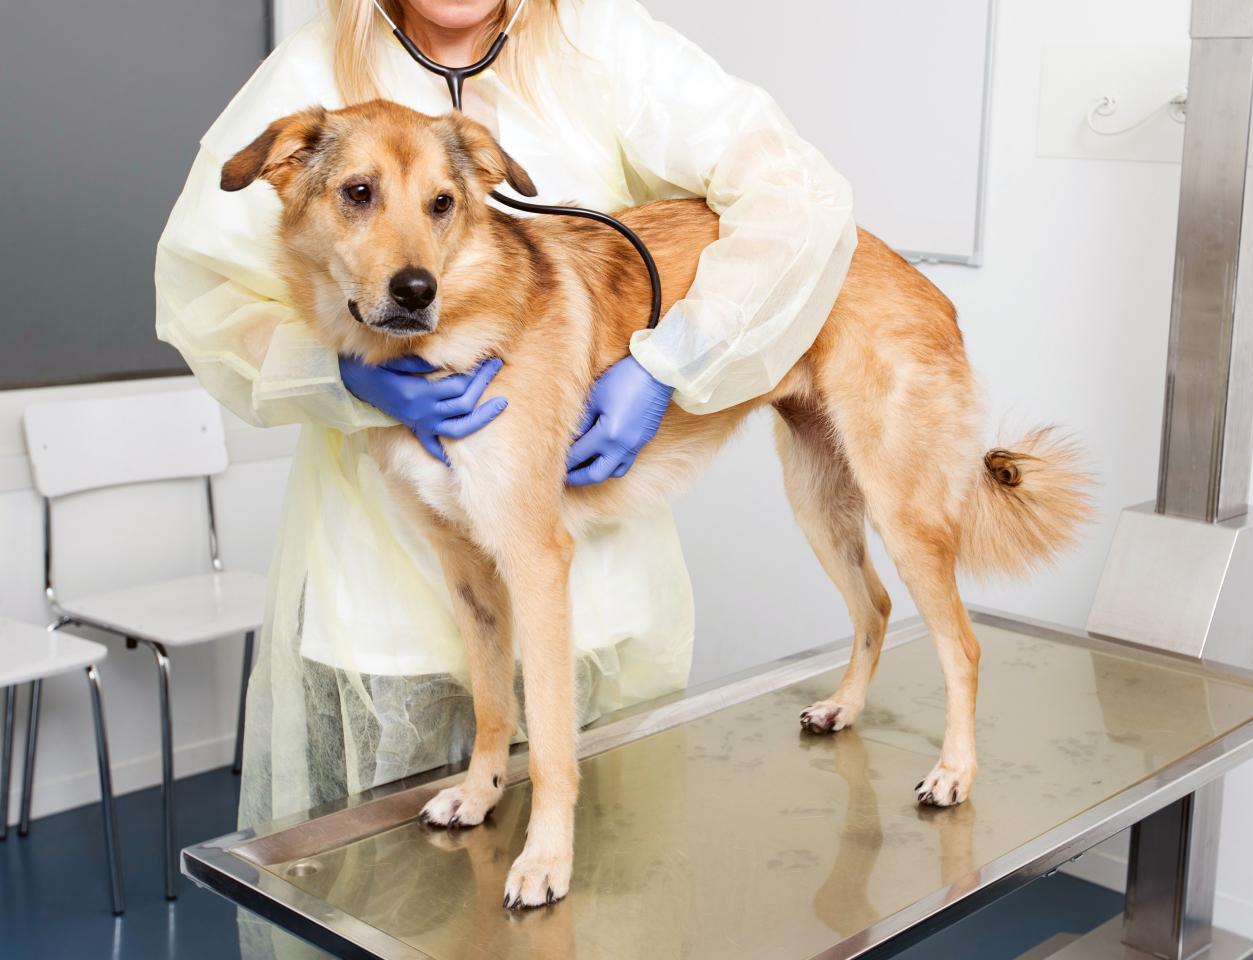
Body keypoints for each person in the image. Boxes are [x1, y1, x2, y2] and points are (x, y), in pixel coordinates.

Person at [156, 0, 853, 937]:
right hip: (379, 613)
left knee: (597, 923)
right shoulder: (313, 68)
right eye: (360, 196)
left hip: (594, 598)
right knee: (392, 913)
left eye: (437, 207)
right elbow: (202, 290)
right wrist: (342, 375)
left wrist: (674, 356)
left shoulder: (604, 42)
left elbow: (798, 198)